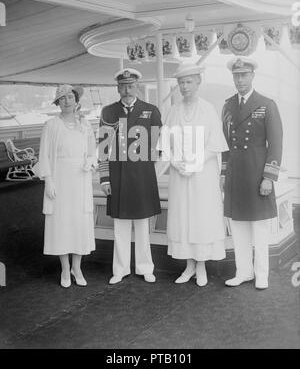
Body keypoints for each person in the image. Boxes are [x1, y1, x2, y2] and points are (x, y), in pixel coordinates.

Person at [160, 62, 228, 286]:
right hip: (181, 176)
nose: (185, 86)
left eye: (189, 82)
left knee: (201, 217)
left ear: (198, 82)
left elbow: (215, 144)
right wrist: (176, 163)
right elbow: (165, 144)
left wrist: (195, 162)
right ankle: (189, 265)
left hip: (202, 175)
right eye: (181, 82)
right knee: (184, 217)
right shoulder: (174, 110)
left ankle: (201, 267)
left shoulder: (208, 109)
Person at [221, 57, 283, 290]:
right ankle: (243, 271)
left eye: (244, 75)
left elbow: (276, 143)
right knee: (238, 226)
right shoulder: (227, 106)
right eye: (236, 76)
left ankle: (261, 274)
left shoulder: (266, 104)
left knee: (258, 228)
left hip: (257, 174)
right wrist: (224, 172)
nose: (239, 80)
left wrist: (269, 176)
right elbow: (225, 143)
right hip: (236, 175)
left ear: (252, 76)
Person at [98, 68, 162, 285]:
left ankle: (145, 268)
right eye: (123, 86)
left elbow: (156, 147)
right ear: (118, 88)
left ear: (137, 87)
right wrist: (105, 178)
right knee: (120, 227)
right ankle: (121, 269)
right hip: (117, 177)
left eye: (131, 86)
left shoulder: (151, 111)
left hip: (142, 177)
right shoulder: (108, 112)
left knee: (143, 226)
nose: (127, 90)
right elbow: (103, 148)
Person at [33, 84, 97, 288]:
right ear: (58, 102)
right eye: (62, 98)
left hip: (80, 180)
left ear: (77, 100)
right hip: (60, 178)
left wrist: (90, 161)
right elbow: (44, 154)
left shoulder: (85, 125)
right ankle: (64, 268)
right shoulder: (51, 125)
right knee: (61, 223)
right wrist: (49, 180)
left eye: (70, 97)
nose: (67, 101)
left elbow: (92, 150)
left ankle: (76, 267)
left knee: (79, 222)